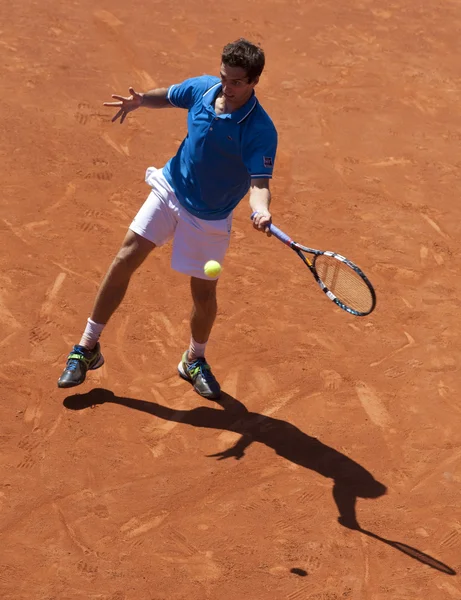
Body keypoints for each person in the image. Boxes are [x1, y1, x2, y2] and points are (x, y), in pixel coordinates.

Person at [57, 38, 278, 400]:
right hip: (170, 190)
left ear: (254, 82)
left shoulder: (260, 130)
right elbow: (172, 95)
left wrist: (261, 209)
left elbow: (259, 184)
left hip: (210, 218)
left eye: (237, 82)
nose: (228, 87)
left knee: (204, 294)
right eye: (224, 77)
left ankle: (194, 360)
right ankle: (86, 347)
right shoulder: (204, 89)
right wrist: (142, 99)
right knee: (126, 257)